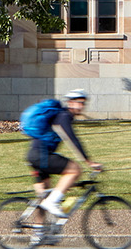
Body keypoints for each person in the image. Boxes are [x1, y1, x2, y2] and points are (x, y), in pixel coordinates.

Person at [29, 89, 100, 218]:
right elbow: (72, 139)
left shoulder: (60, 116)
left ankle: (38, 235)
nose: (82, 106)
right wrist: (88, 161)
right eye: (79, 102)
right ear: (70, 103)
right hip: (42, 155)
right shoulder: (64, 116)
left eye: (83, 103)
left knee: (43, 198)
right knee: (75, 170)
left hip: (34, 155)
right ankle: (52, 202)